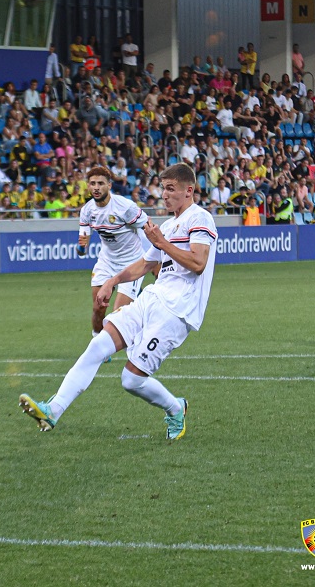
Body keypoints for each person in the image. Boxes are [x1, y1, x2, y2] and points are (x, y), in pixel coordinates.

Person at [20, 164, 217, 438]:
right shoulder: (169, 225)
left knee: (131, 380)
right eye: (163, 188)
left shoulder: (201, 218)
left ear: (189, 190)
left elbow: (198, 263)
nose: (164, 194)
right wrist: (112, 281)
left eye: (170, 189)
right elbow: (145, 264)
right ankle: (53, 410)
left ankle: (175, 408)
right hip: (153, 297)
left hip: (178, 312)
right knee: (98, 345)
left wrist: (162, 243)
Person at [76, 166, 149, 338]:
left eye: (100, 183)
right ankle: (96, 338)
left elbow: (148, 228)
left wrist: (153, 259)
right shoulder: (87, 211)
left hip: (131, 263)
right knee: (98, 307)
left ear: (109, 185)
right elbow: (82, 246)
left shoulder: (125, 207)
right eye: (92, 183)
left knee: (118, 315)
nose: (96, 187)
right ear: (88, 186)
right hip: (107, 262)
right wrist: (80, 248)